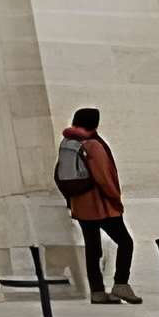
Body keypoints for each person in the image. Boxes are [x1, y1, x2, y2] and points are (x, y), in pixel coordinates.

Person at [56, 106, 137, 303]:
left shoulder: (68, 143)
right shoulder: (93, 145)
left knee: (93, 248)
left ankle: (97, 291)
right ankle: (121, 284)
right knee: (126, 242)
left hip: (81, 205)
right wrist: (115, 199)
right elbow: (104, 177)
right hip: (100, 205)